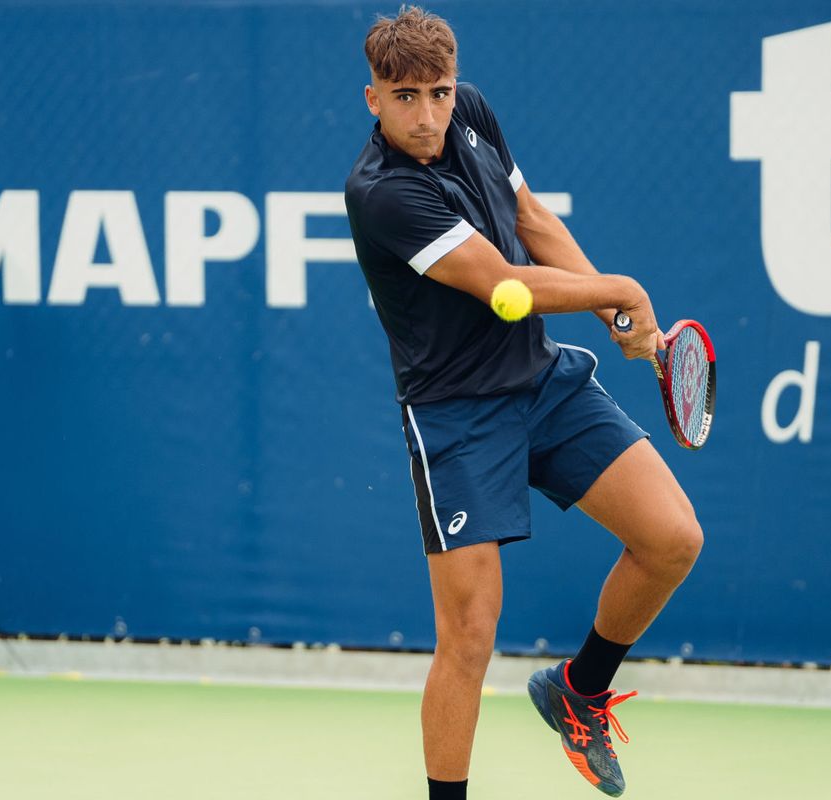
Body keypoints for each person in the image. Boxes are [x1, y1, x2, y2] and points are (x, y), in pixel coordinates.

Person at [344, 6, 704, 799]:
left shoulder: (470, 113)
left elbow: (531, 220)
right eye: (406, 97)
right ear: (373, 98)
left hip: (540, 383)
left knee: (673, 538)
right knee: (469, 635)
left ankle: (580, 691)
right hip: (458, 418)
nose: (429, 114)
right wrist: (619, 289)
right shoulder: (381, 195)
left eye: (438, 92)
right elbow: (503, 283)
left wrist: (614, 315)